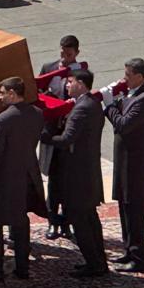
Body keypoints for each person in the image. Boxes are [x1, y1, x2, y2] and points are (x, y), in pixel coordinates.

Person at [42, 69, 108, 277]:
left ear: (80, 83)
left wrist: (45, 137)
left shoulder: (81, 108)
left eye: (70, 82)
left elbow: (67, 139)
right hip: (87, 172)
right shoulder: (93, 104)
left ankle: (94, 264)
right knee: (90, 218)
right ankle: (99, 261)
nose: (67, 86)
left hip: (78, 175)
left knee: (81, 220)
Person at [0, 75, 44, 281]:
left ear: (12, 93)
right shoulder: (37, 113)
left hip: (4, 177)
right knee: (20, 221)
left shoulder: (3, 119)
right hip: (26, 173)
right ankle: (23, 267)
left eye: (2, 93)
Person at [102, 57, 144, 272]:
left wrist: (109, 107)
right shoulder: (134, 93)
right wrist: (116, 100)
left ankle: (140, 258)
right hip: (126, 162)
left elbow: (123, 124)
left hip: (135, 164)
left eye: (128, 75)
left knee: (135, 211)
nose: (124, 79)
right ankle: (129, 250)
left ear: (139, 77)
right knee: (124, 207)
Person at [38, 34, 88, 239]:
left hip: (69, 133)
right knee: (53, 180)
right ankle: (53, 222)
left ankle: (67, 222)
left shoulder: (81, 72)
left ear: (76, 53)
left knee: (67, 180)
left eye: (69, 54)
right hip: (52, 132)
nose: (65, 57)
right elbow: (38, 93)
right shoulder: (49, 68)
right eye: (62, 52)